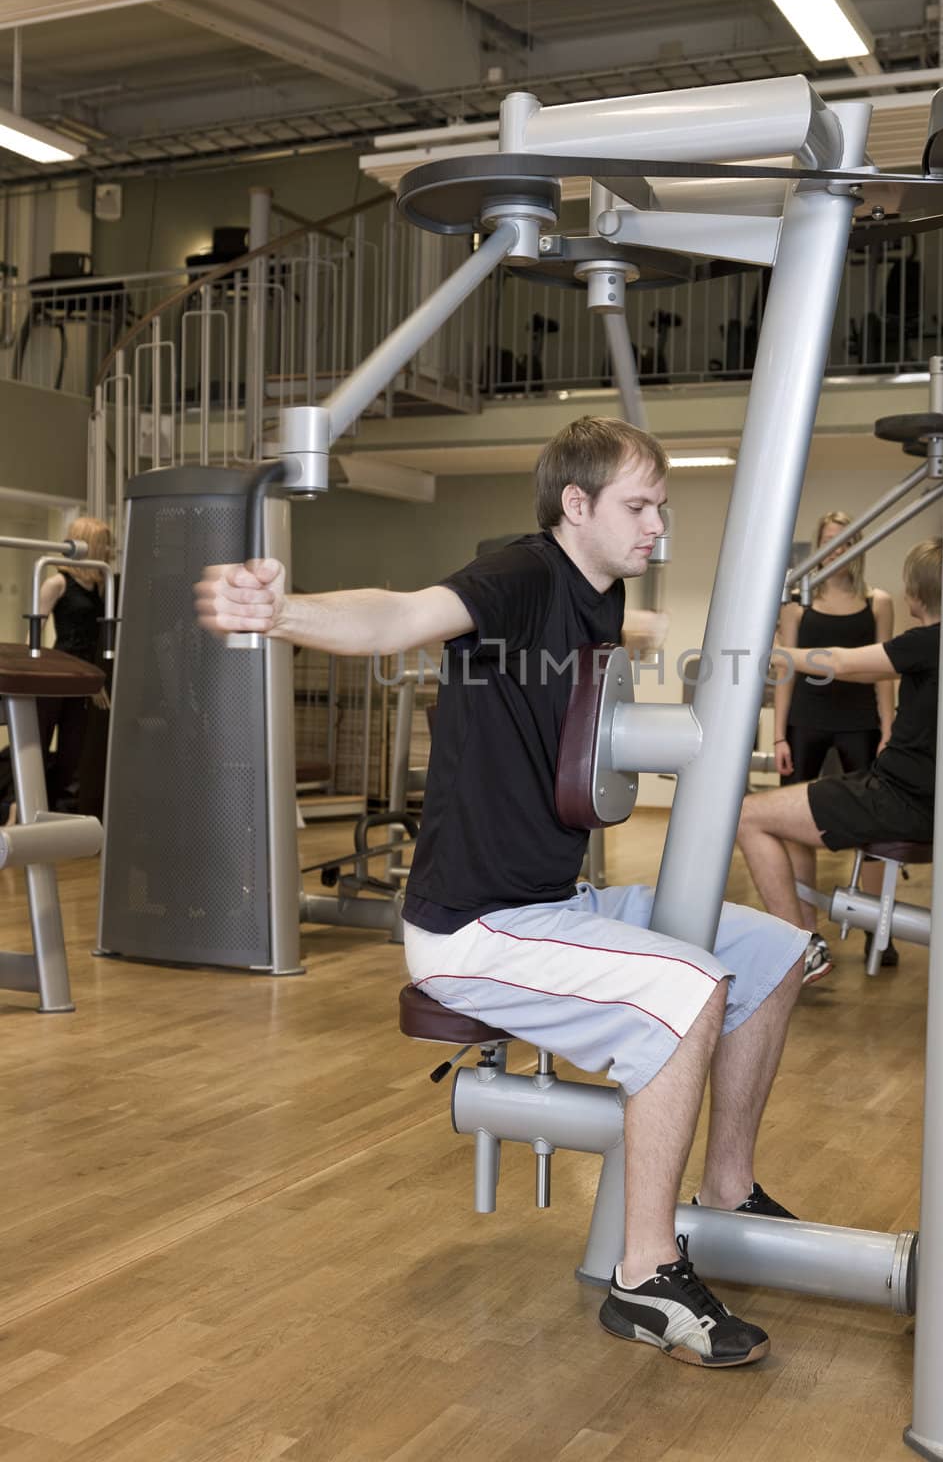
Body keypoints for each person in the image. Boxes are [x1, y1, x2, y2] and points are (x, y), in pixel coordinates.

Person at [197, 416, 810, 1370]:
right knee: (690, 989)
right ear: (576, 506)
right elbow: (399, 616)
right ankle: (643, 1277)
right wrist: (280, 612)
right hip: (474, 928)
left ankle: (726, 1191)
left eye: (661, 507)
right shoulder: (523, 575)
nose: (658, 527)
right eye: (639, 507)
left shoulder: (600, 596)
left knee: (771, 955)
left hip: (552, 905)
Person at [738, 539, 941, 942]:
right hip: (901, 791)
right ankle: (806, 937)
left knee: (745, 815)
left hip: (897, 799)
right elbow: (865, 672)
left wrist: (772, 652)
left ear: (916, 592)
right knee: (783, 817)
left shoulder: (928, 639)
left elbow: (843, 662)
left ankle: (798, 946)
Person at [775, 511, 894, 985]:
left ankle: (875, 930)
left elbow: (886, 668)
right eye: (829, 543)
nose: (837, 551)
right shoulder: (797, 606)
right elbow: (785, 670)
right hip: (806, 719)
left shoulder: (876, 601)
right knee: (794, 824)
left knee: (876, 827)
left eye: (845, 543)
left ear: (858, 546)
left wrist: (889, 728)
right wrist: (780, 734)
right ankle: (806, 934)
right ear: (817, 548)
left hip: (859, 721)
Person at [37, 515, 111, 814]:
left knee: (73, 752)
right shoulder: (56, 583)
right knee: (37, 747)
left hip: (86, 678)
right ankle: (19, 809)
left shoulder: (100, 586)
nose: (109, 551)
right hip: (57, 673)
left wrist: (95, 680)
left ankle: (56, 812)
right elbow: (32, 636)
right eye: (105, 545)